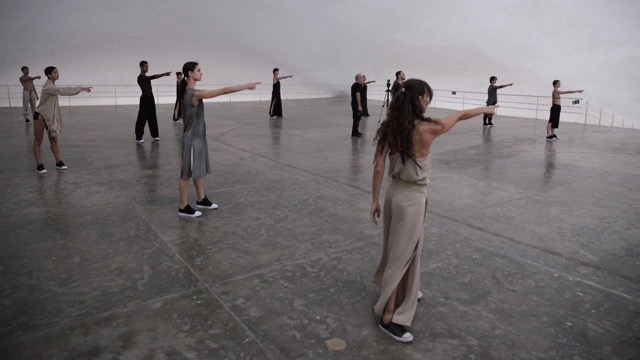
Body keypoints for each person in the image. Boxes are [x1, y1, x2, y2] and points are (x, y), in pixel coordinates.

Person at [370, 78, 496, 343]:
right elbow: (460, 115)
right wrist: (486, 109)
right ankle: (389, 316)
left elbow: (379, 166)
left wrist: (374, 200)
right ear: (419, 99)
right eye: (427, 96)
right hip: (412, 198)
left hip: (393, 194)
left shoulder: (389, 127)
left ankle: (404, 291)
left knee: (396, 248)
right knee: (402, 254)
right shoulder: (429, 128)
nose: (429, 101)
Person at [177, 61, 260, 217]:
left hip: (198, 138)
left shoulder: (194, 92)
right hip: (192, 140)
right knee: (186, 173)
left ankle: (201, 199)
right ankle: (182, 206)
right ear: (190, 73)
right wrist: (246, 85)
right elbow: (224, 90)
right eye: (199, 70)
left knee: (198, 169)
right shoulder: (193, 94)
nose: (201, 73)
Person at [32, 66, 92, 174]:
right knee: (38, 140)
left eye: (58, 72)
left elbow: (60, 91)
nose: (58, 74)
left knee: (54, 139)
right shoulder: (47, 87)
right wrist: (81, 88)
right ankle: (39, 165)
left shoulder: (52, 86)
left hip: (50, 116)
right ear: (49, 75)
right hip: (40, 115)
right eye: (55, 72)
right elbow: (62, 90)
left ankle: (58, 162)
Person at [135, 61, 171, 143]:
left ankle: (155, 135)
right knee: (142, 117)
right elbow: (153, 77)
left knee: (152, 116)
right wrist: (164, 74)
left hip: (151, 98)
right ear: (141, 67)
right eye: (145, 66)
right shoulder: (140, 78)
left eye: (147, 66)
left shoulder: (145, 77)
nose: (146, 68)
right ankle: (138, 137)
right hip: (145, 99)